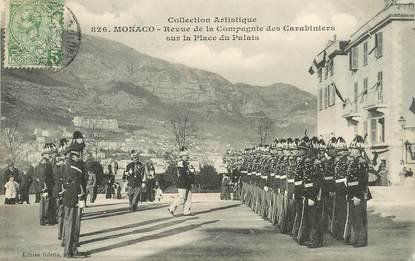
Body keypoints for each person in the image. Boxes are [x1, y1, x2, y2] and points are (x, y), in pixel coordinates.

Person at [62, 131, 87, 258]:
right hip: (74, 198)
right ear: (78, 150)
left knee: (70, 224)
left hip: (70, 197)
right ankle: (70, 251)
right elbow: (77, 182)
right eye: (82, 149)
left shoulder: (70, 161)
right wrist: (81, 196)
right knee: (73, 225)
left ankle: (70, 250)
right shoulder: (75, 163)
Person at [168, 147, 195, 216]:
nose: (187, 157)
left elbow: (192, 172)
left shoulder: (188, 163)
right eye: (186, 156)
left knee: (189, 198)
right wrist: (188, 169)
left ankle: (187, 211)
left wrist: (192, 182)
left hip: (188, 182)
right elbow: (182, 172)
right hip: (182, 182)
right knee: (181, 197)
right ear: (182, 156)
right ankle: (172, 208)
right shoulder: (180, 163)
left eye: (187, 156)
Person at [36, 143, 57, 225]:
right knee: (45, 204)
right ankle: (45, 220)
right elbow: (42, 177)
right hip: (46, 187)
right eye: (48, 154)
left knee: (47, 203)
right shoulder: (44, 163)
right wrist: (44, 188)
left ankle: (46, 219)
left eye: (50, 153)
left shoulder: (47, 162)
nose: (50, 155)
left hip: (48, 186)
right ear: (44, 154)